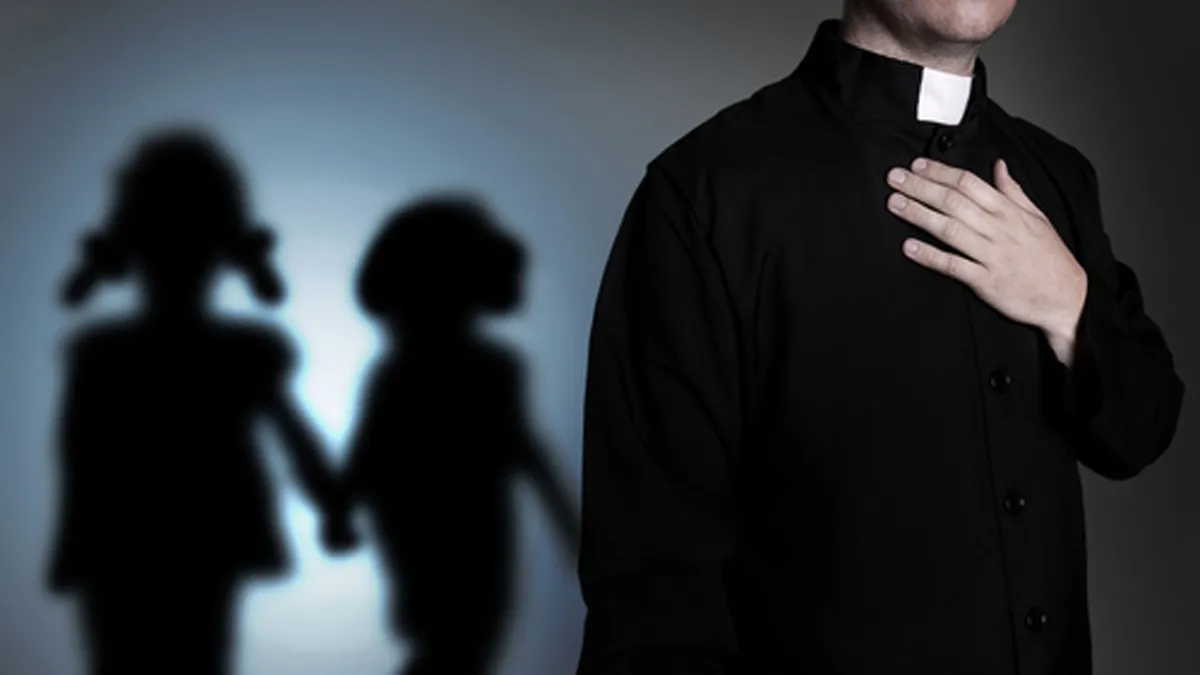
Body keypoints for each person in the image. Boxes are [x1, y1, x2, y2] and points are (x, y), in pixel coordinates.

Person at [576, 2, 1186, 674]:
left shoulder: (1059, 176)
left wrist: (1068, 304)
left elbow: (1141, 432)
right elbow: (652, 593)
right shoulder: (706, 192)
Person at [47, 128, 353, 675]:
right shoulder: (233, 353)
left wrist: (332, 503)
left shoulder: (107, 355)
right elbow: (78, 451)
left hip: (132, 542)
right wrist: (331, 505)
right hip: (171, 540)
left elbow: (78, 451)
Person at [329, 196, 580, 675]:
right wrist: (566, 522)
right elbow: (369, 445)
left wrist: (341, 508)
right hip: (439, 523)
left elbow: (525, 449)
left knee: (462, 644)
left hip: (467, 522)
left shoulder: (487, 368)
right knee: (456, 643)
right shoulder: (426, 373)